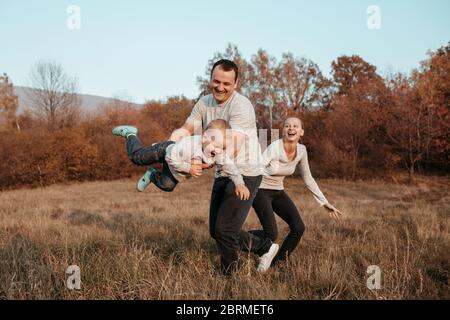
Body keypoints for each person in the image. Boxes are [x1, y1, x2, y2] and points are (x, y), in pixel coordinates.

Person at [170, 59, 278, 274]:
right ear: (210, 79)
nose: (220, 87)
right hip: (222, 171)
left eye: (226, 84)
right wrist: (171, 146)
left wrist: (201, 161)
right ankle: (265, 247)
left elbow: (233, 147)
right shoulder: (204, 103)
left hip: (245, 172)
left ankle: (230, 279)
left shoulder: (241, 106)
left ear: (236, 83)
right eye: (216, 81)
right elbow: (186, 128)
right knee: (215, 231)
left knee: (225, 229)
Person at [251, 117, 342, 270]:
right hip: (260, 190)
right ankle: (235, 238)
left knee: (298, 227)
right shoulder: (275, 147)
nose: (291, 128)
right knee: (271, 234)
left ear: (301, 131)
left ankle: (277, 263)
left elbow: (308, 177)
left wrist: (324, 202)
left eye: (295, 126)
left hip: (278, 191)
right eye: (287, 126)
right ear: (283, 130)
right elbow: (256, 168)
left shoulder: (301, 150)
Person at [111, 119, 251, 200]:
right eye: (217, 147)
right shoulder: (189, 145)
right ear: (204, 138)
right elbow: (170, 158)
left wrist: (239, 183)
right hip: (166, 152)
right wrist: (189, 168)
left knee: (167, 186)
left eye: (223, 148)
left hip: (176, 167)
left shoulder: (217, 152)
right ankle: (130, 134)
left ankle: (152, 175)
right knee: (137, 158)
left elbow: (230, 167)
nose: (219, 152)